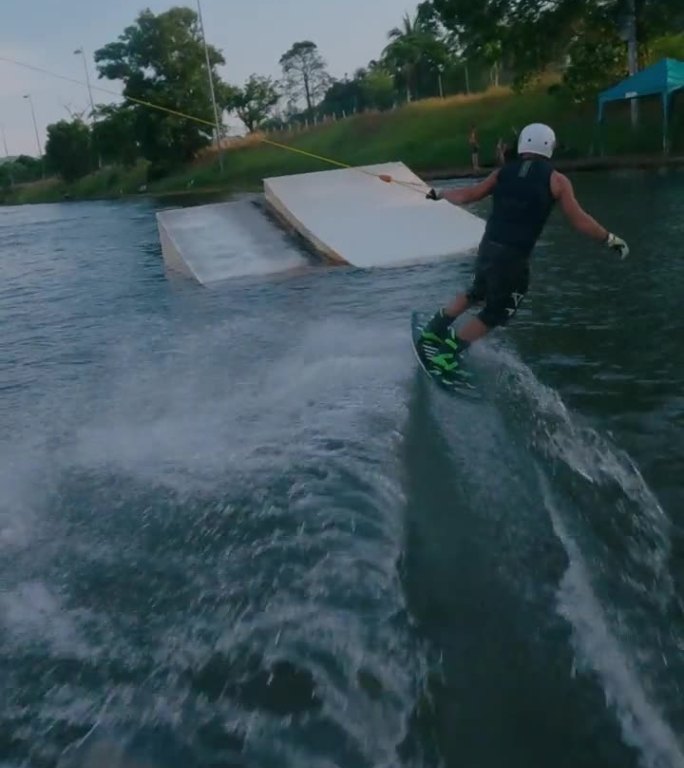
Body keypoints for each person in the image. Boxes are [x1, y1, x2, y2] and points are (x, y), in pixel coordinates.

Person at [419, 122, 629, 374]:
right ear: (549, 147)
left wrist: (440, 192)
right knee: (497, 311)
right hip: (513, 256)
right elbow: (579, 220)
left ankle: (433, 331)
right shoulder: (557, 180)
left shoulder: (503, 172)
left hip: (488, 247)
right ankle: (447, 354)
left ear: (523, 145)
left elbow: (468, 195)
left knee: (478, 291)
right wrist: (609, 239)